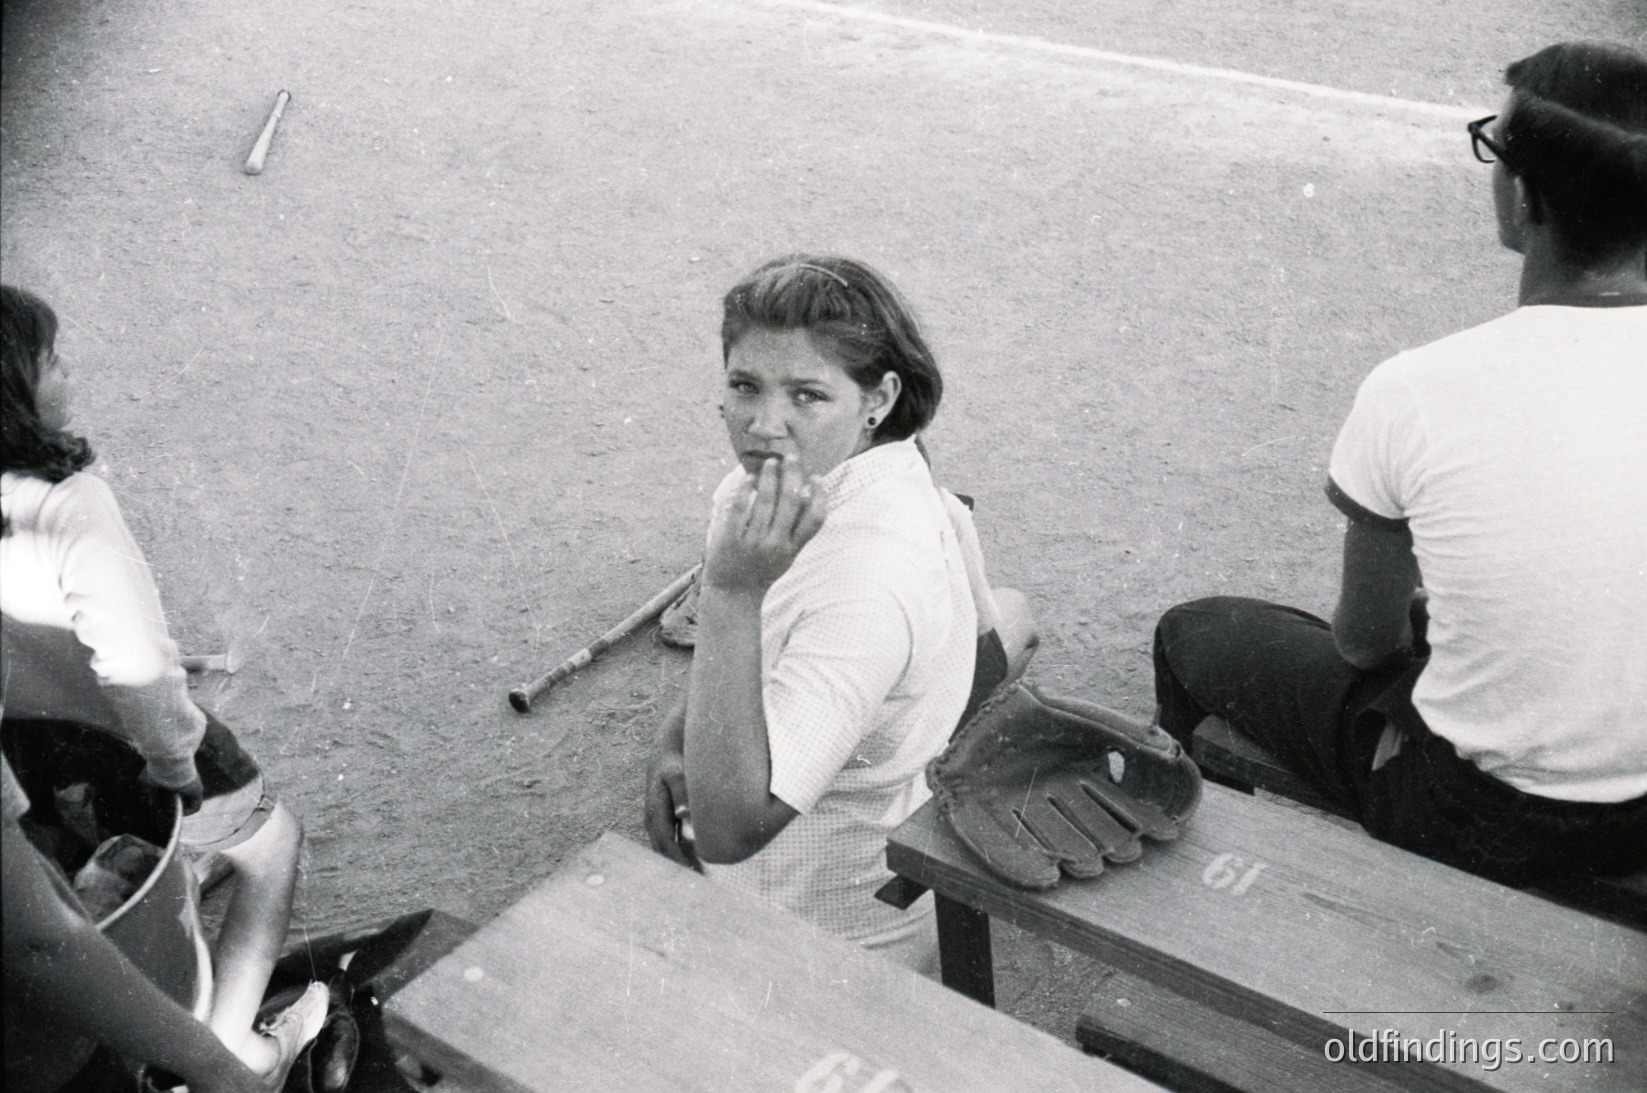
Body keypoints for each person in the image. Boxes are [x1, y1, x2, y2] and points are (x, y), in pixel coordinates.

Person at [1150, 42, 1647, 887]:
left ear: (1523, 196)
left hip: (1471, 813)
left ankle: (1202, 881)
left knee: (1193, 631)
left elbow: (1365, 638)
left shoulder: (1419, 387)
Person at [643, 255, 1030, 972]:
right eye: (743, 385)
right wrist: (675, 739)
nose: (764, 425)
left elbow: (729, 829)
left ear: (878, 398)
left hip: (819, 941)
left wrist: (730, 592)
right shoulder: (827, 475)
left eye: (806, 395)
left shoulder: (867, 583)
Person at [1, 285, 318, 1080]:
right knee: (272, 848)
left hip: (21, 744)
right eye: (52, 361)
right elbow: (135, 666)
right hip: (114, 740)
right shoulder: (72, 505)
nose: (68, 371)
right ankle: (228, 1048)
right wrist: (177, 768)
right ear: (14, 391)